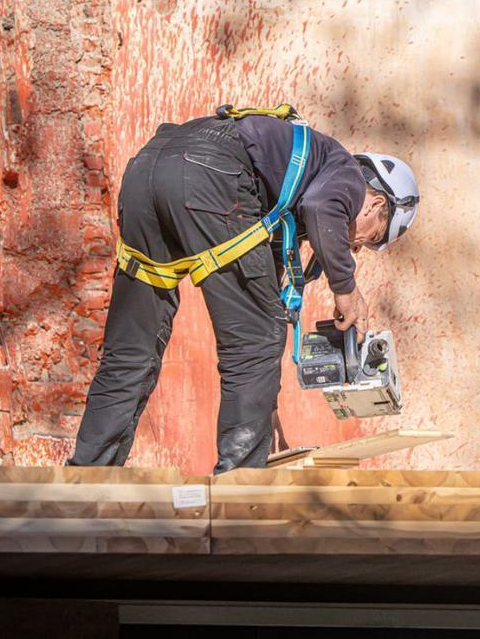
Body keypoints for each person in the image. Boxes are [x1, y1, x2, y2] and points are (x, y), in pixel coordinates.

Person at [68, 104, 419, 472]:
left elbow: (259, 308)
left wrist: (266, 423)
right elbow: (322, 208)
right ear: (376, 203)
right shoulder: (343, 171)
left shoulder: (280, 206)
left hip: (147, 172)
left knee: (132, 351)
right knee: (255, 341)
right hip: (209, 175)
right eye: (372, 236)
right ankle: (241, 490)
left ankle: (87, 479)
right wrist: (345, 288)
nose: (356, 247)